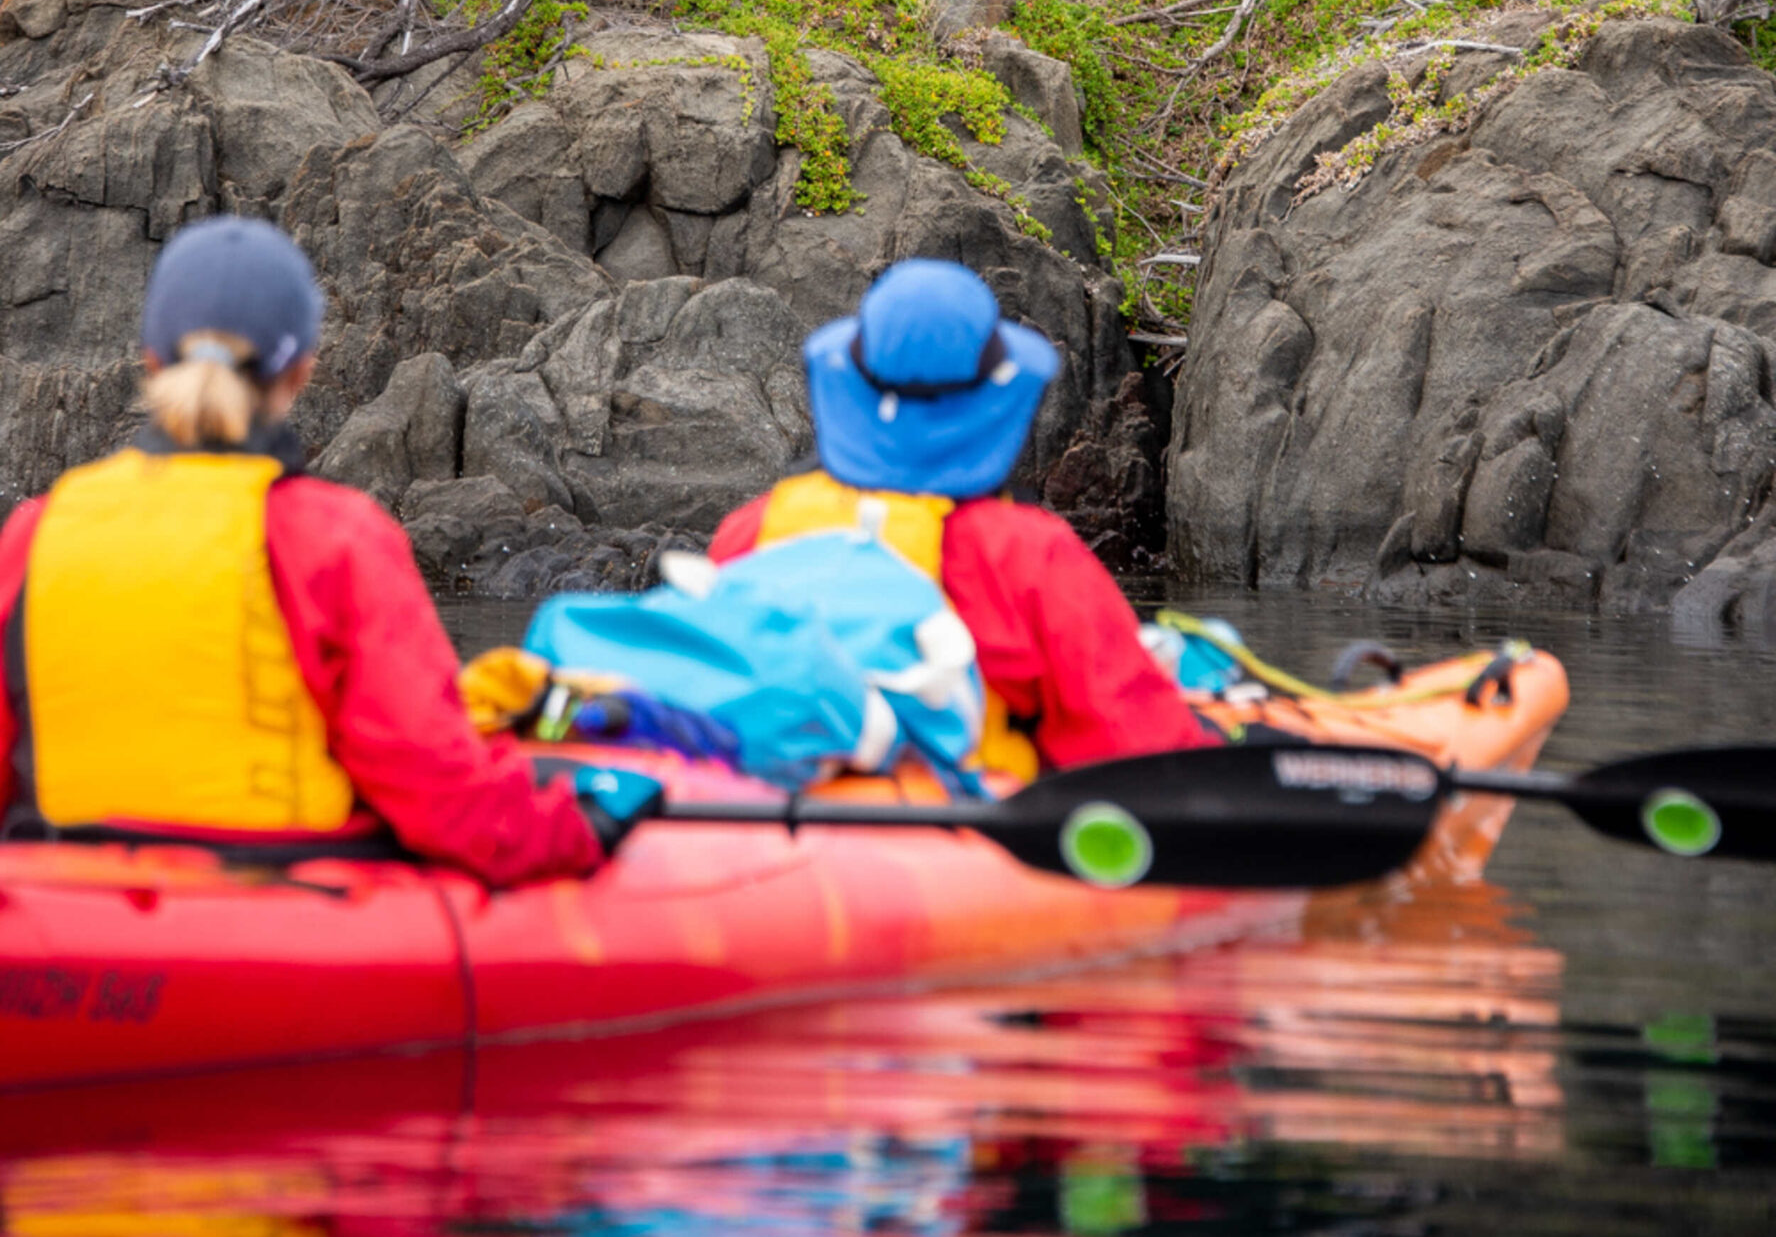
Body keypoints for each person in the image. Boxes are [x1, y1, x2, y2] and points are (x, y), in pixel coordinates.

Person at [0, 216, 612, 884]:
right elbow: (445, 797)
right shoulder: (335, 538)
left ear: (150, 360)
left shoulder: (35, 534)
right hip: (286, 931)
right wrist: (587, 830)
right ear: (301, 369)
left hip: (70, 927)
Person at [707, 258, 1219, 775]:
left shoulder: (751, 533)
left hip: (770, 818)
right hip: (969, 824)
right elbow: (1140, 747)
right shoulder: (1029, 554)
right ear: (993, 404)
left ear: (850, 393)